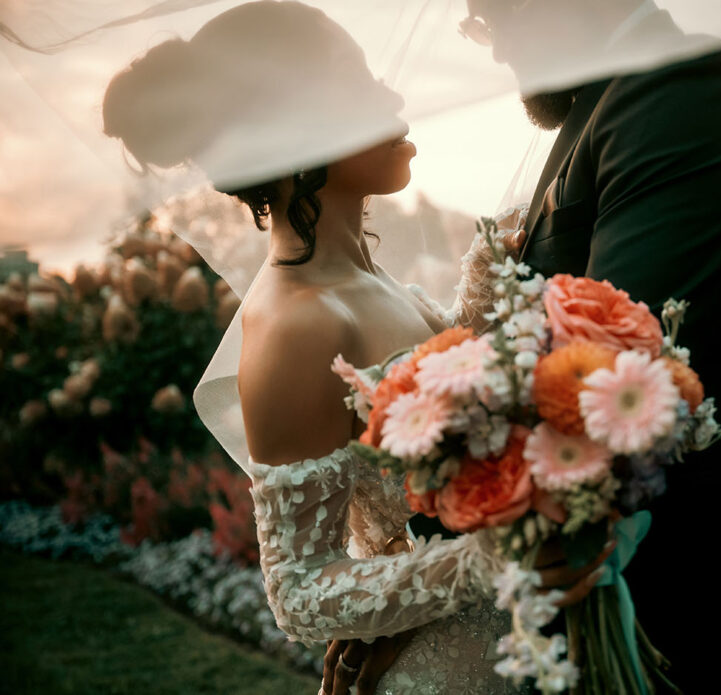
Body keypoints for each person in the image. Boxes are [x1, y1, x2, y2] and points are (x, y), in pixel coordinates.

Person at [102, 2, 612, 693]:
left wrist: (482, 306)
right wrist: (486, 561)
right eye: (361, 80)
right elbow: (300, 590)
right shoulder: (296, 324)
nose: (395, 97)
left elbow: (432, 413)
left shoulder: (363, 277)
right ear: (294, 121)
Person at [445, 0, 721, 691]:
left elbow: (604, 389)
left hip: (697, 614)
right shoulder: (607, 101)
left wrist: (413, 583)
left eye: (494, 19)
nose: (495, 51)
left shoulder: (680, 92)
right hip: (622, 604)